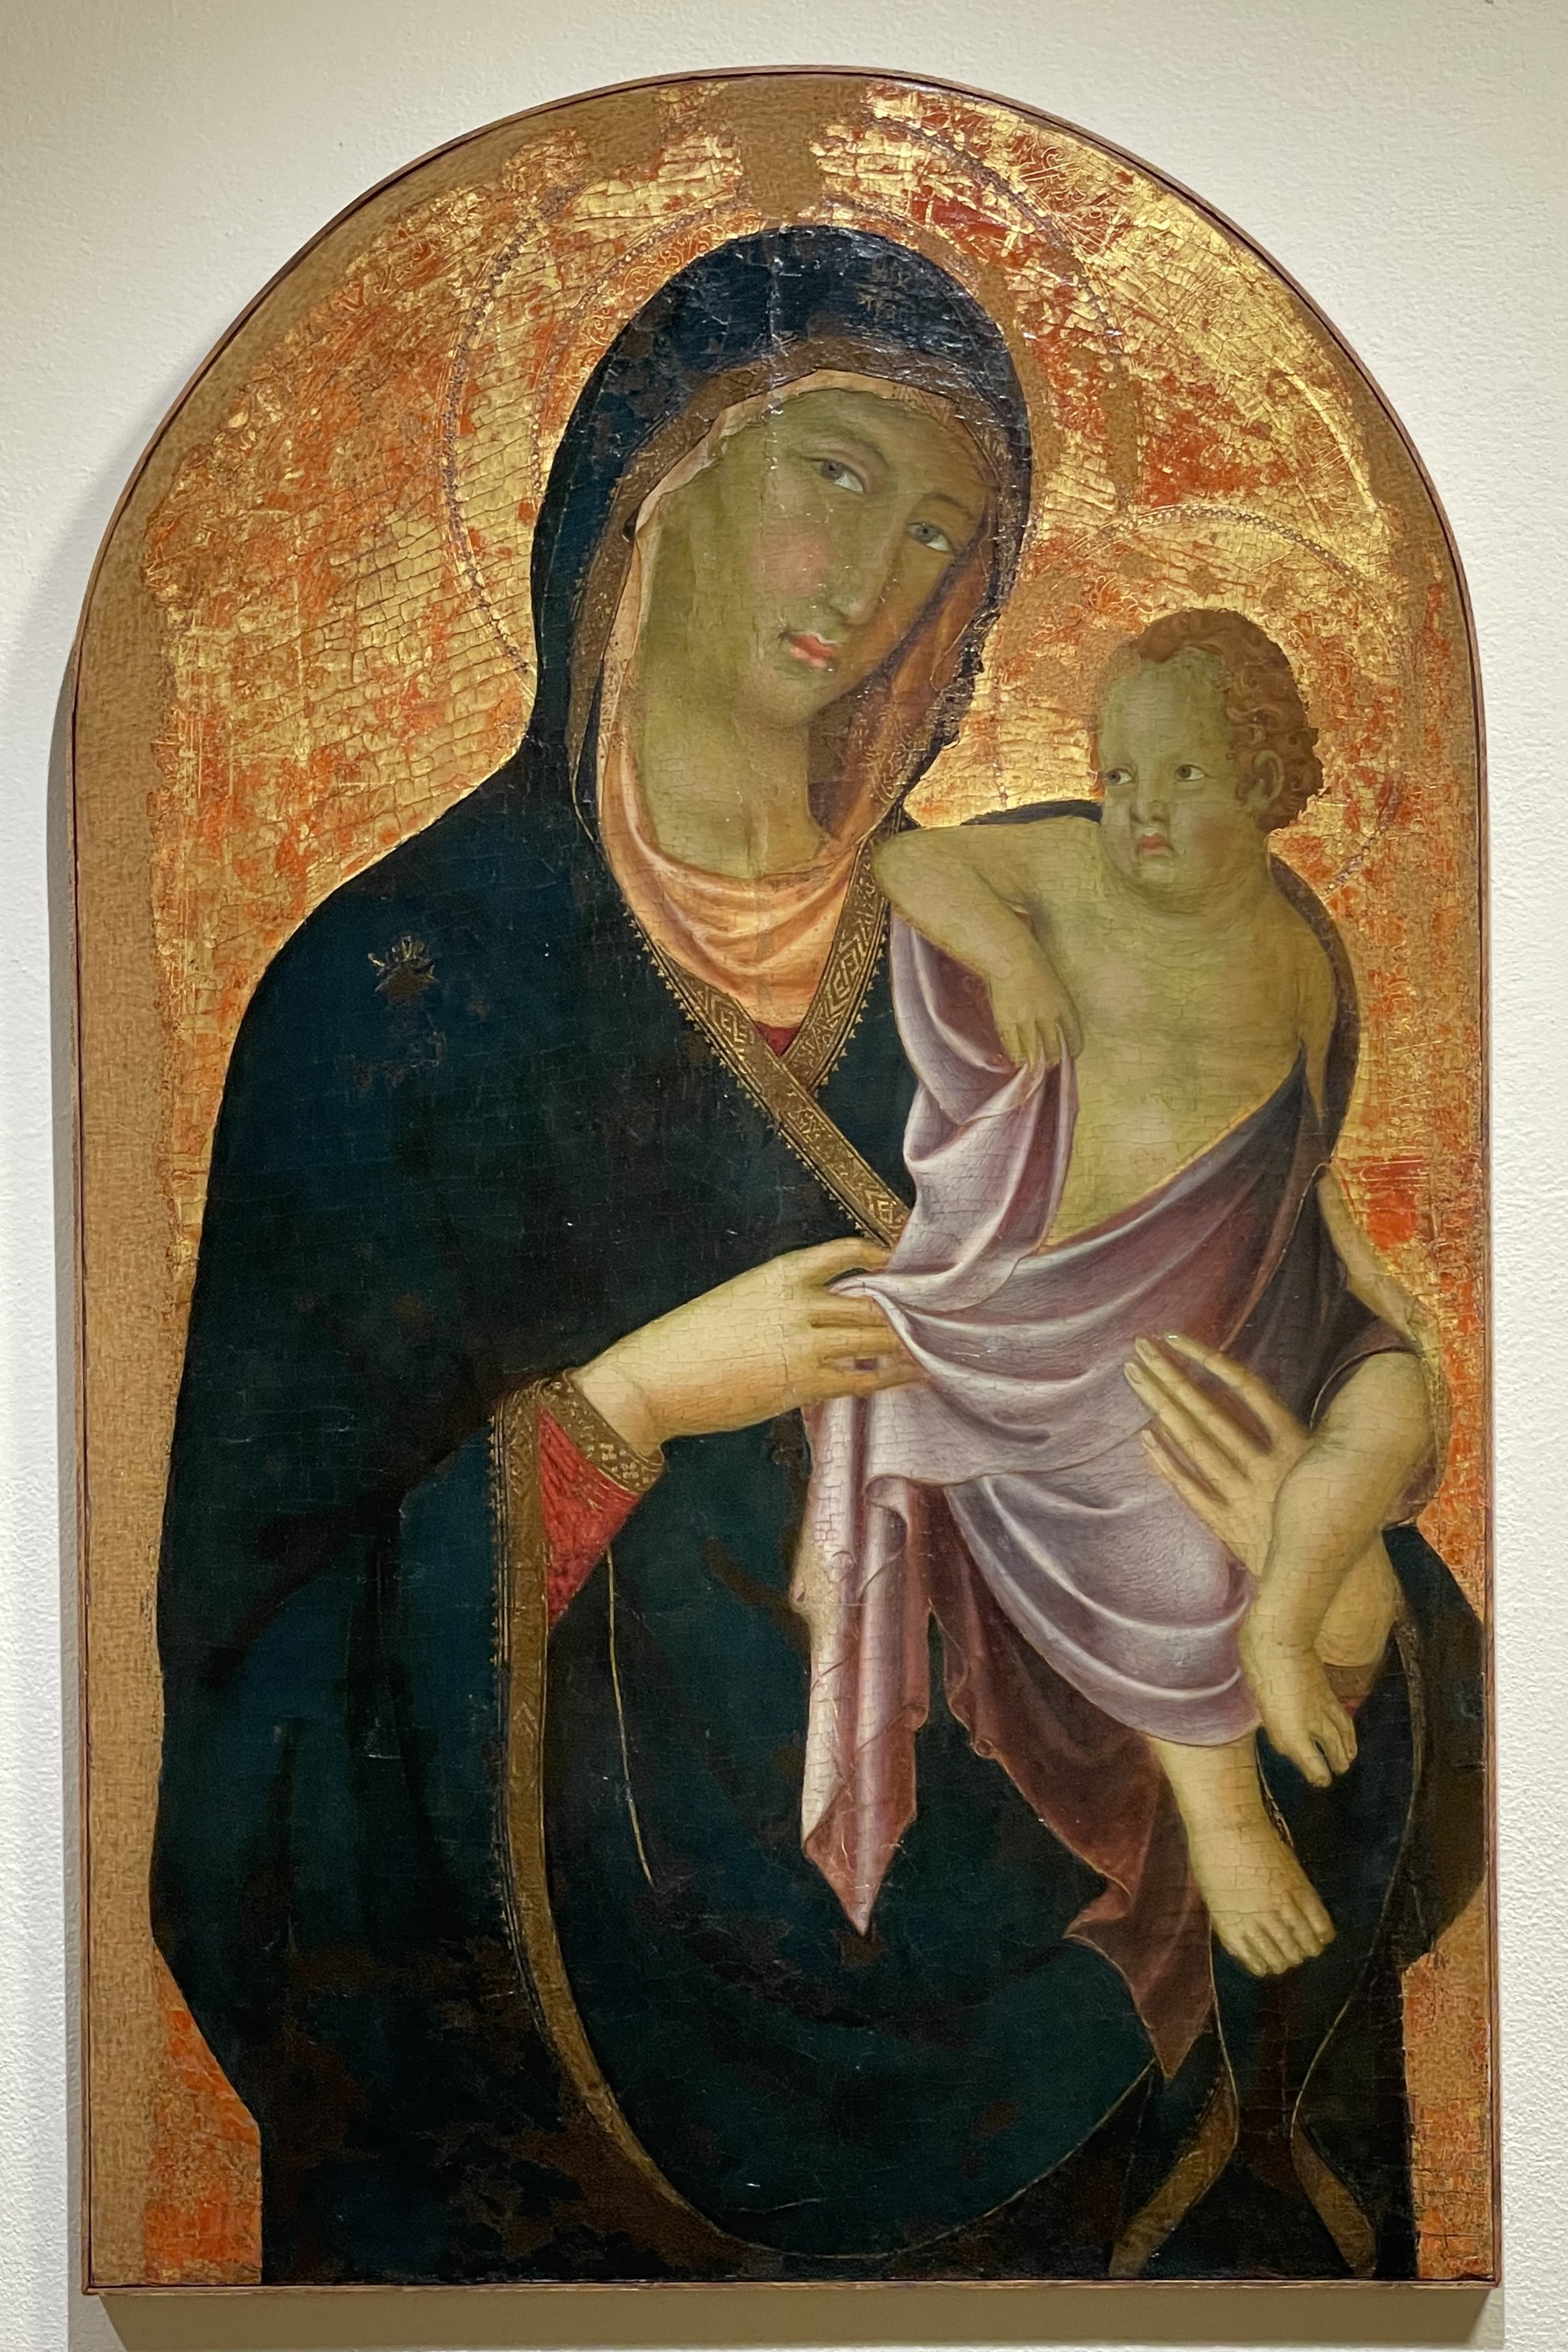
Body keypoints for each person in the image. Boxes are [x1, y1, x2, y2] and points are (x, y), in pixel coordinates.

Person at [152, 231, 1482, 2285]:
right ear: (653, 487)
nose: (870, 579)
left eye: (938, 530)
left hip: (1075, 2056)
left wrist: (1343, 1595)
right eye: (832, 474)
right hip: (579, 2109)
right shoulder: (390, 997)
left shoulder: (1057, 957)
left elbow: (1290, 1410)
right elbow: (259, 1704)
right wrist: (623, 1412)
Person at [801, 611, 1433, 1996]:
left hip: (1254, 1289)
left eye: (1183, 777)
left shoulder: (1297, 953)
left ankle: (1286, 1618)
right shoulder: (1071, 870)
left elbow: (1304, 1146)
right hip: (1077, 1315)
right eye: (1117, 776)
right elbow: (912, 860)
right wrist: (1014, 956)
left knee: (1394, 1403)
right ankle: (1225, 1814)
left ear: (1262, 783)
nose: (1138, 811)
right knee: (1172, 1523)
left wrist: (1364, 1274)